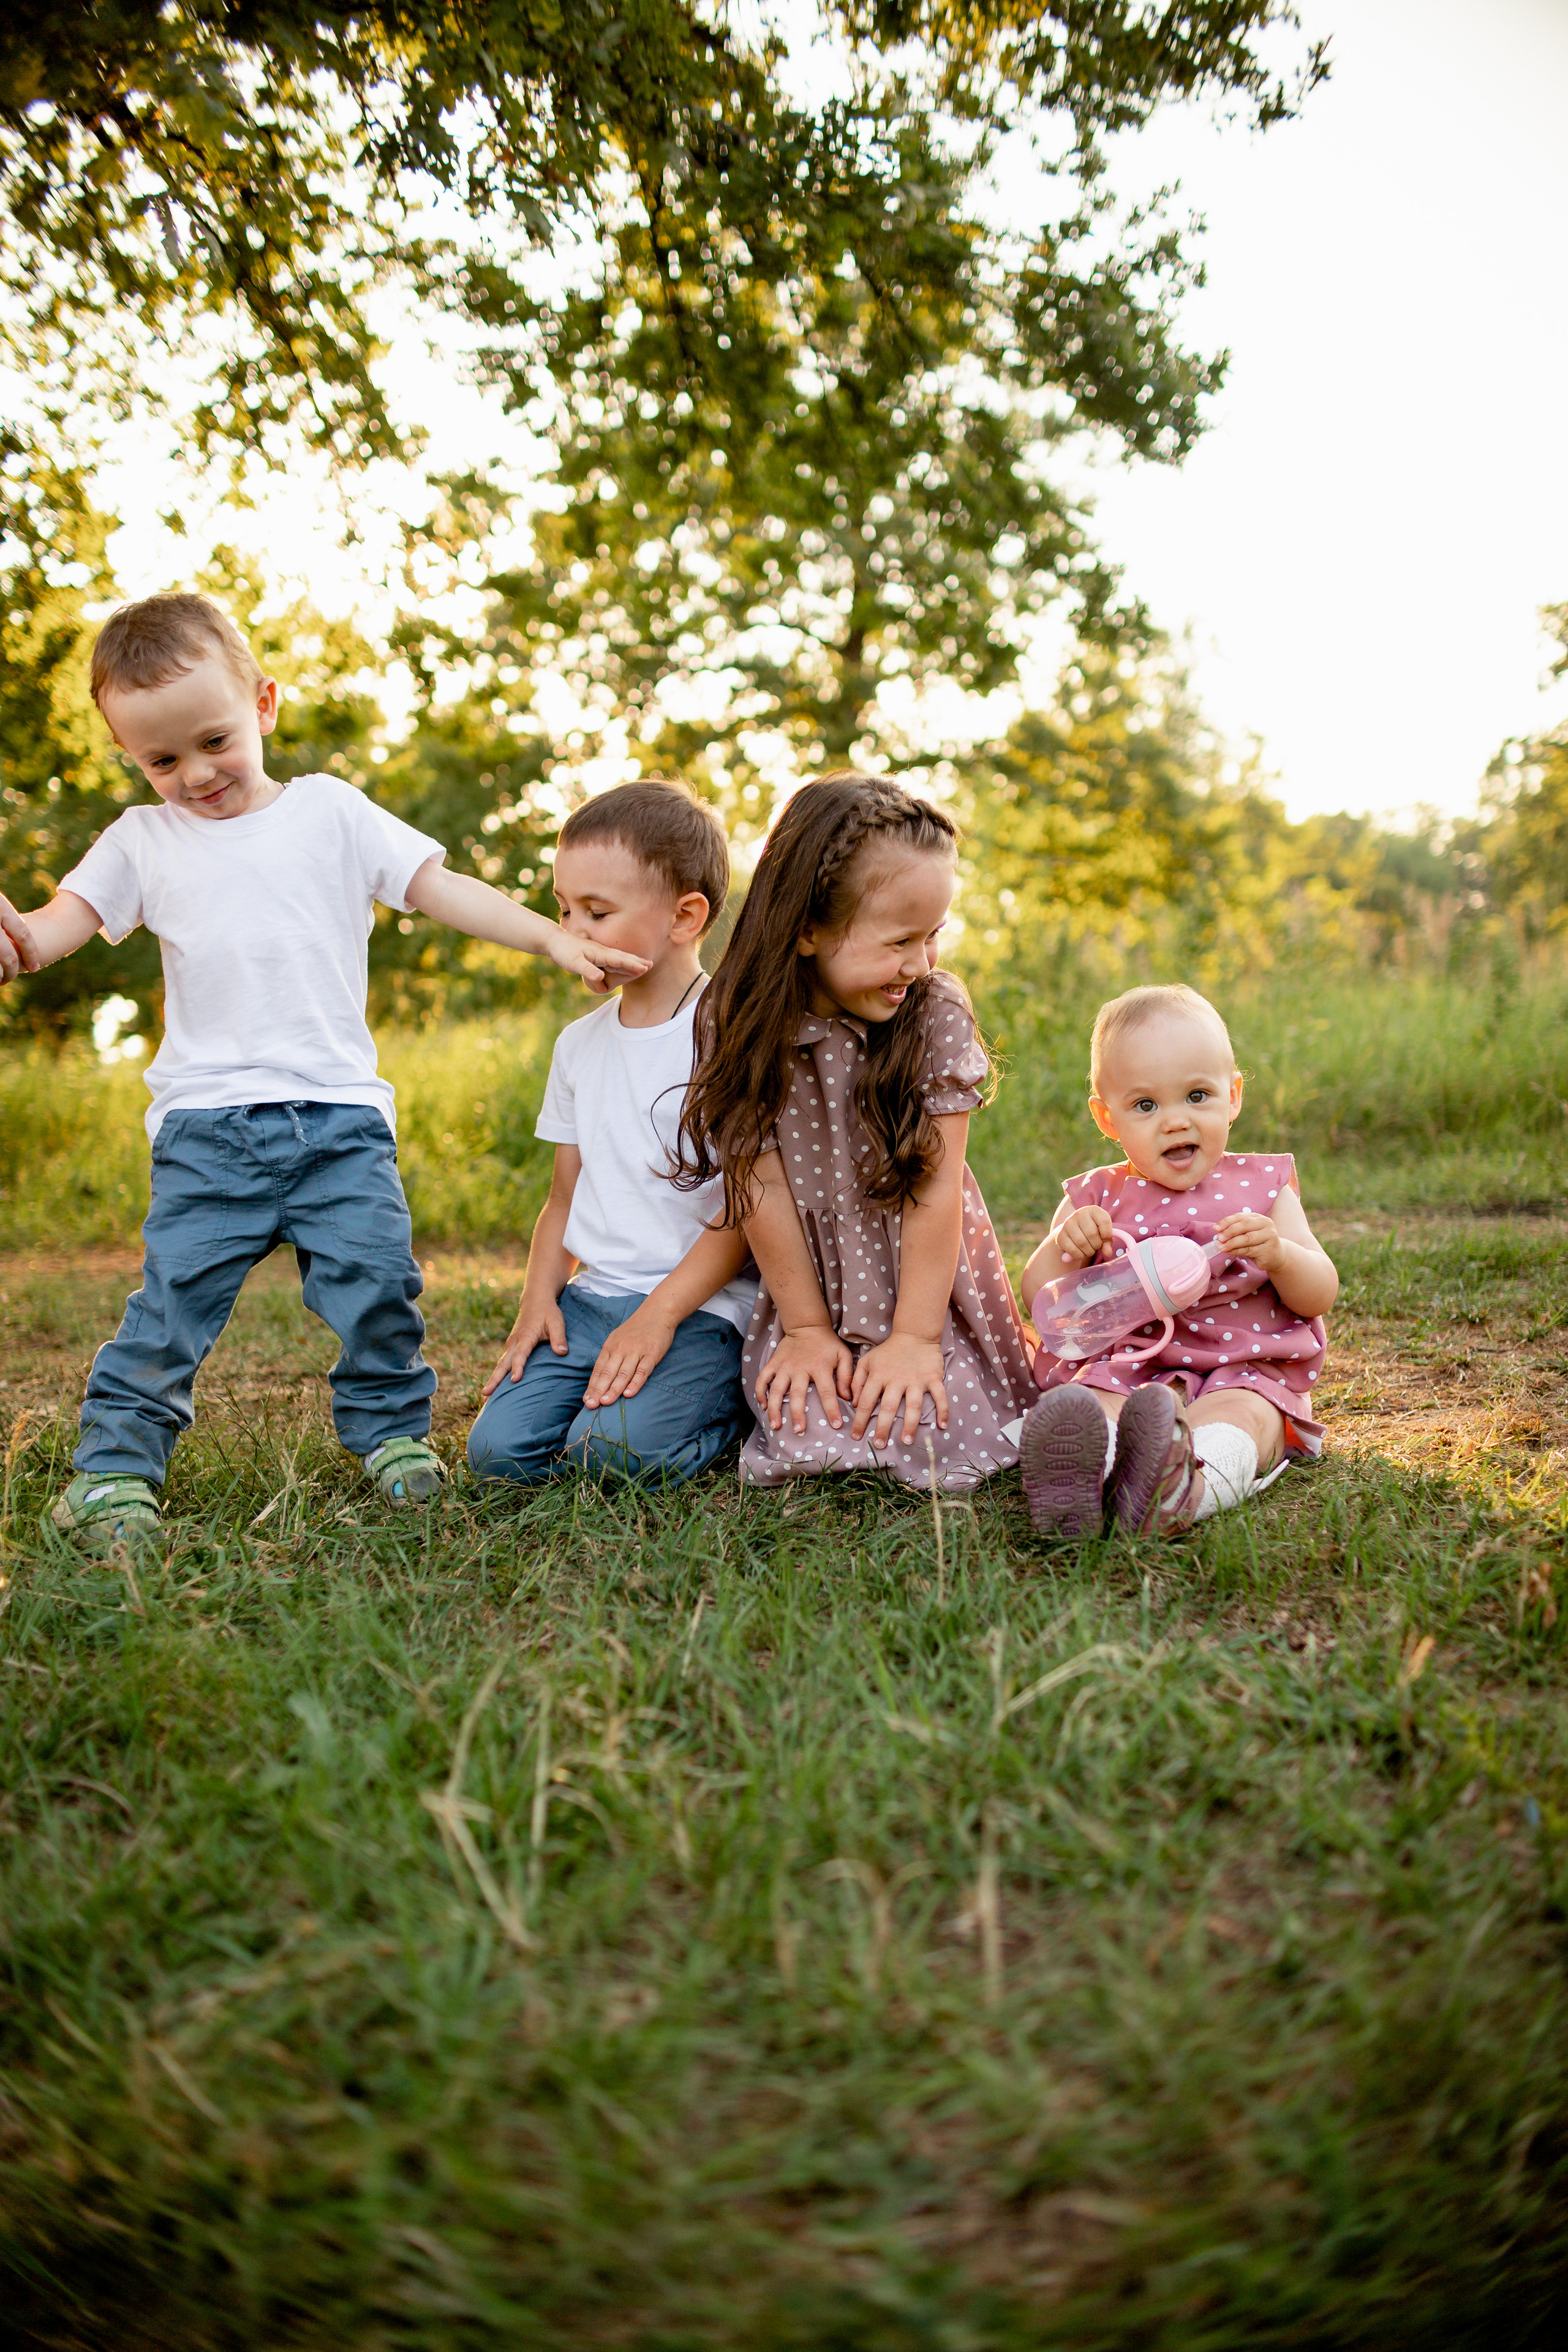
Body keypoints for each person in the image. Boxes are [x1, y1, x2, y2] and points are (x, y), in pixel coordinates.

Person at [0, 593, 648, 1550]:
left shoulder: (331, 814)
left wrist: (552, 939)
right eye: (161, 759)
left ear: (263, 704)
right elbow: (63, 925)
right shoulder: (142, 840)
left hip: (341, 1123)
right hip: (208, 1131)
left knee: (380, 1285)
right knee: (171, 1307)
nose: (195, 774)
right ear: (133, 759)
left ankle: (391, 1440)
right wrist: (17, 945)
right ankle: (114, 1471)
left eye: (213, 740)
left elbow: (441, 889)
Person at [676, 771, 1035, 1491]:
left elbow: (937, 1196)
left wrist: (914, 1340)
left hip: (920, 1286)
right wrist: (806, 1330)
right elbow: (762, 1186)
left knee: (933, 1428)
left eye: (933, 936)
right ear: (806, 927)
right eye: (900, 940)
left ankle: (1016, 1405)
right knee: (809, 1433)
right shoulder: (736, 1019)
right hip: (813, 1287)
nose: (920, 963)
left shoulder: (933, 1010)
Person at [466, 779, 755, 1488]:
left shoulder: (733, 1035)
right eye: (564, 910)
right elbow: (564, 1195)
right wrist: (539, 1302)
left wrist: (657, 1319)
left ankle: (737, 1410)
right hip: (591, 1303)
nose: (573, 931)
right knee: (498, 1456)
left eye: (597, 912)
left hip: (701, 1310)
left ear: (685, 917)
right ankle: (609, 1400)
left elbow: (747, 1209)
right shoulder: (578, 1045)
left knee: (613, 1457)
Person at [1016, 983, 1338, 1539]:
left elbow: (1320, 1293)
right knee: (1094, 1403)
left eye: (1197, 1096)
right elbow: (1040, 1297)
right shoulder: (1096, 1197)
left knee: (1242, 1419)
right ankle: (1083, 1478)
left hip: (1243, 1372)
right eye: (1146, 1105)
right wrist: (1066, 1245)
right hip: (1133, 1369)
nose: (1175, 1121)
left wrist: (1281, 1257)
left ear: (1233, 1095)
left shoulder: (1262, 1188)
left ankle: (1185, 1487)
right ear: (1106, 1118)